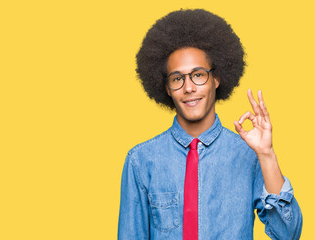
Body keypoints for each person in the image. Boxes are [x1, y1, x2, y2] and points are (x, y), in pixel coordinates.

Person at [117, 9, 302, 240]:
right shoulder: (141, 160)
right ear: (167, 88)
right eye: (177, 78)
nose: (188, 87)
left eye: (198, 75)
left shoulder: (249, 156)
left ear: (216, 78)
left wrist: (266, 154)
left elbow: (288, 234)